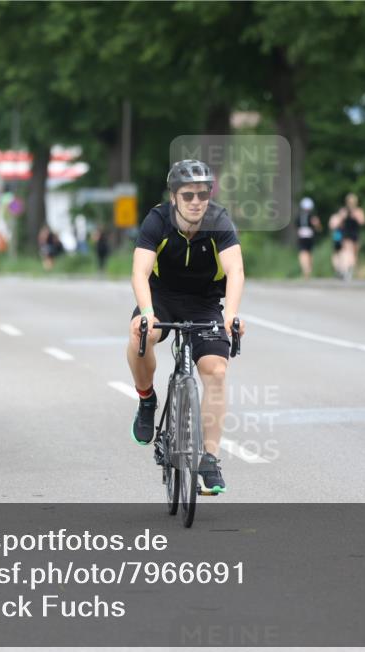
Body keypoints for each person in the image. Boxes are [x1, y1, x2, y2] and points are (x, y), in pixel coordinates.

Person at [126, 159, 245, 494]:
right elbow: (140, 271)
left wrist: (231, 314)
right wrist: (147, 312)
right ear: (174, 196)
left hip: (204, 302)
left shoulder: (219, 221)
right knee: (140, 333)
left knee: (216, 372)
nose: (196, 201)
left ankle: (209, 458)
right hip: (162, 296)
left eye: (203, 194)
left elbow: (235, 270)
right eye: (188, 194)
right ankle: (147, 399)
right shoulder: (158, 219)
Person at [330, 193, 365, 280]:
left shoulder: (358, 211)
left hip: (355, 234)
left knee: (354, 254)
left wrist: (355, 215)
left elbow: (363, 222)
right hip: (346, 234)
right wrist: (342, 217)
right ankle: (345, 270)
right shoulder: (343, 211)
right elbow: (336, 224)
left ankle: (350, 269)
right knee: (347, 252)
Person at [295, 197, 322, 279]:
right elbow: (319, 229)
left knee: (304, 254)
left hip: (305, 237)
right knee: (307, 254)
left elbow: (297, 228)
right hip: (308, 237)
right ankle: (307, 270)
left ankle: (306, 270)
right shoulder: (311, 217)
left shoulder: (300, 217)